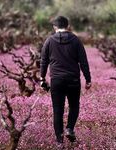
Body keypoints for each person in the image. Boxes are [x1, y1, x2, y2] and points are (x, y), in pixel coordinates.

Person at [40, 16, 92, 145]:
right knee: (74, 106)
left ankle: (59, 141)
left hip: (56, 80)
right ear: (68, 26)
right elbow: (83, 61)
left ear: (54, 27)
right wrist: (88, 79)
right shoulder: (76, 40)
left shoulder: (49, 41)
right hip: (73, 79)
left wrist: (42, 78)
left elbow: (43, 61)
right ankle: (69, 128)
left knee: (58, 110)